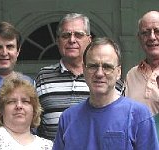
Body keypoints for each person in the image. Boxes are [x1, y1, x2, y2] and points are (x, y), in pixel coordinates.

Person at [53, 37, 159, 150]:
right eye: (93, 66)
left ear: (118, 72)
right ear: (84, 70)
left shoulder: (138, 115)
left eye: (107, 67)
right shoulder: (68, 118)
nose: (99, 73)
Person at [36, 13, 124, 141]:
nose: (72, 40)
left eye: (78, 35)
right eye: (66, 35)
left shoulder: (110, 78)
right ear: (58, 41)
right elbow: (33, 123)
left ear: (89, 40)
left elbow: (122, 120)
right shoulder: (43, 77)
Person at [124, 11, 159, 115]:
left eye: (157, 31)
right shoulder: (132, 75)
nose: (152, 37)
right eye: (145, 33)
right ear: (139, 38)